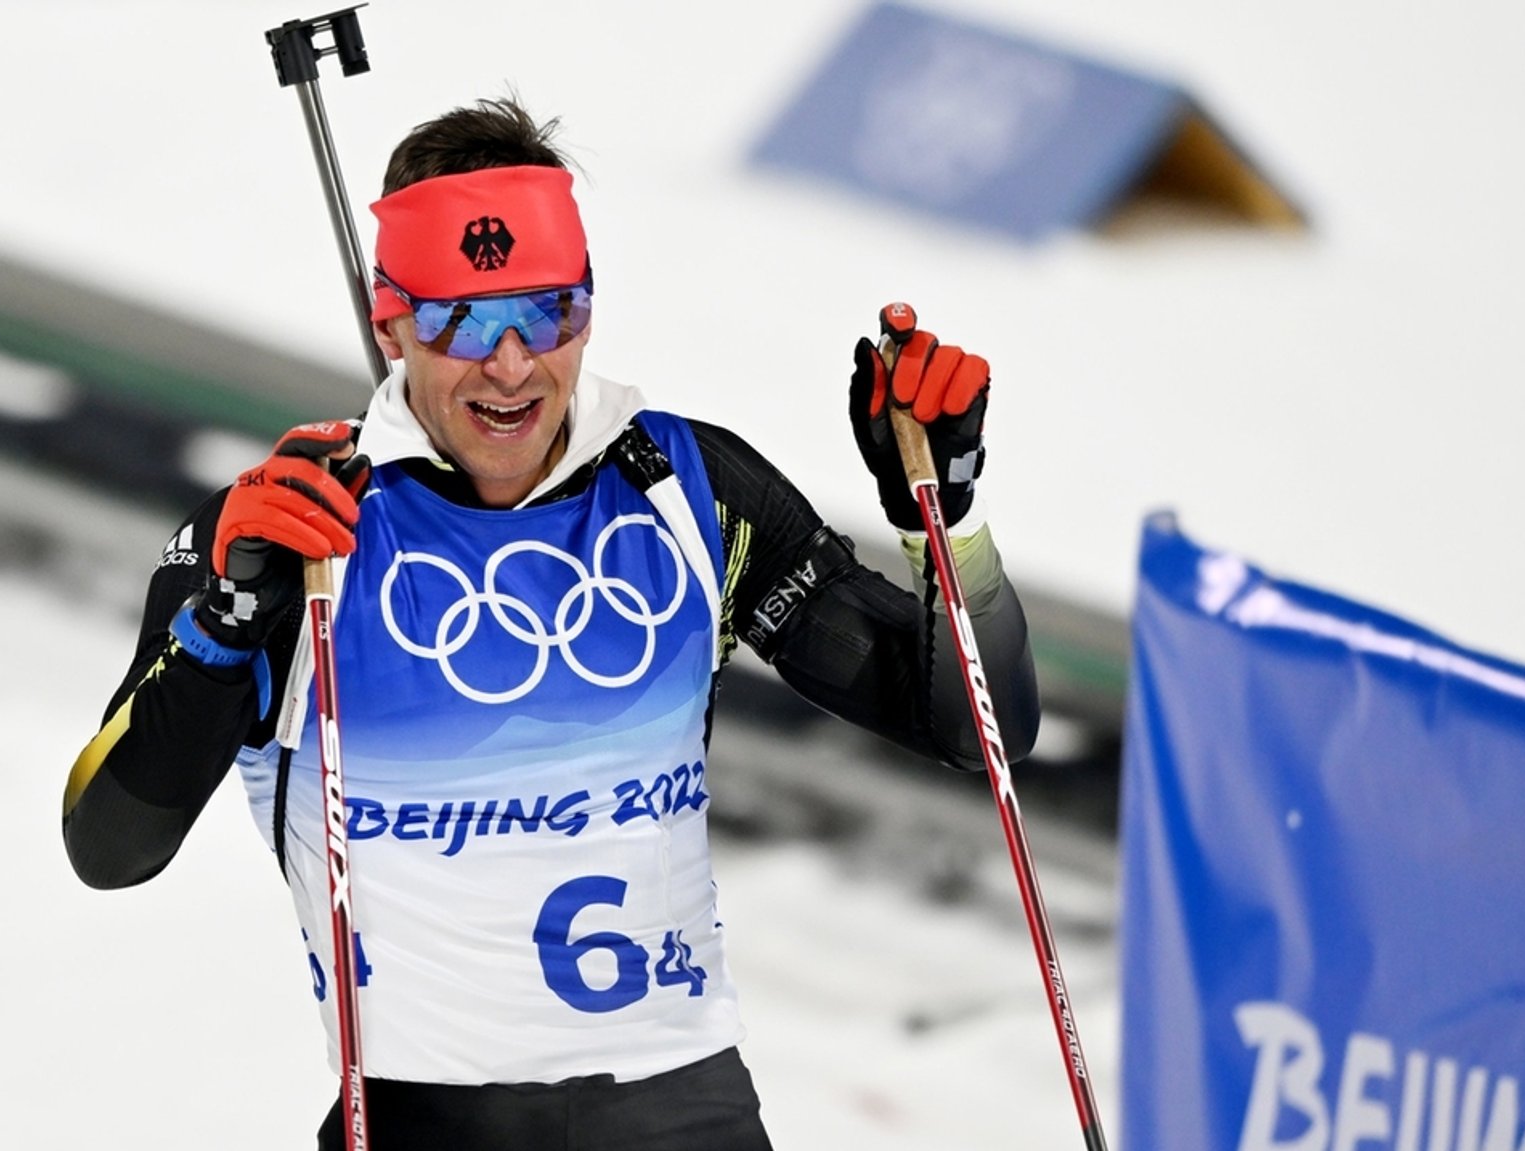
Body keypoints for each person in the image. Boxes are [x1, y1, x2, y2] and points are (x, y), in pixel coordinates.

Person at [60, 97, 1039, 1150]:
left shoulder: (683, 487)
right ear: (388, 315)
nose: (514, 365)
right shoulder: (298, 528)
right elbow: (109, 845)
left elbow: (978, 726)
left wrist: (942, 516)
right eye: (466, 321)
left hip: (681, 1105)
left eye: (549, 311)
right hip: (421, 1114)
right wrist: (227, 617)